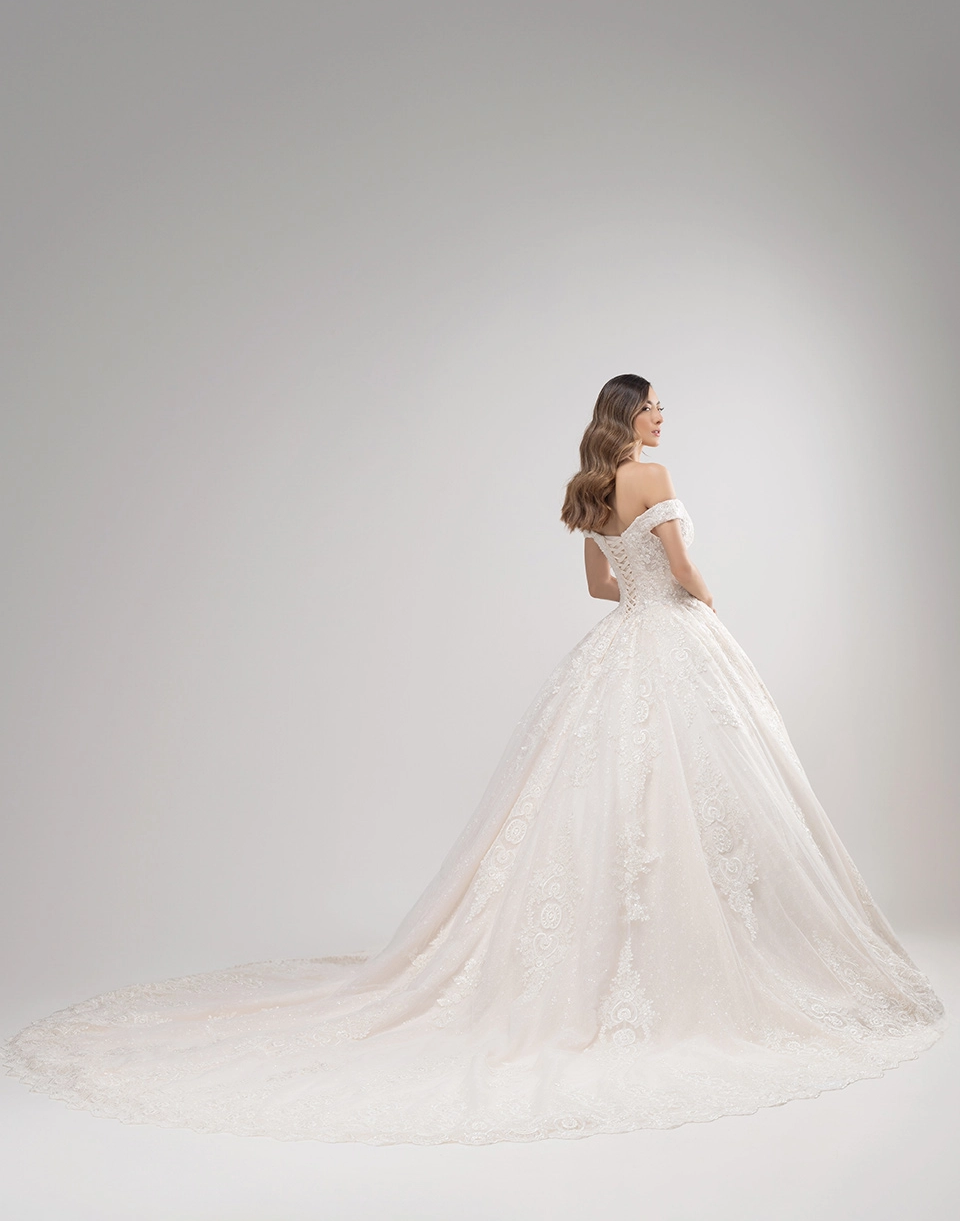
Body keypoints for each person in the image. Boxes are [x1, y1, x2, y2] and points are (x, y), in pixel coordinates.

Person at [2, 374, 944, 1146]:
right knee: (686, 796)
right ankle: (679, 961)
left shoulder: (588, 489)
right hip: (676, 638)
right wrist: (702, 595)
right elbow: (683, 570)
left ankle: (617, 956)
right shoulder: (653, 475)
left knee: (610, 799)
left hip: (624, 643)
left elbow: (600, 587)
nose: (664, 416)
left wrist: (647, 592)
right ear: (628, 416)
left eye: (663, 408)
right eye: (655, 405)